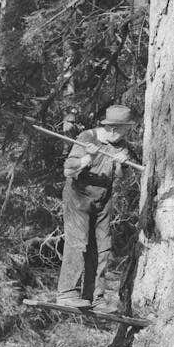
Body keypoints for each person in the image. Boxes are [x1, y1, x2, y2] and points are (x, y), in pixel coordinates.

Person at [56, 104, 137, 311]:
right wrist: (89, 157)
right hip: (78, 197)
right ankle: (66, 294)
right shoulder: (87, 137)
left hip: (103, 200)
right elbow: (68, 169)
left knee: (102, 247)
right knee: (78, 243)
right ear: (112, 128)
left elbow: (121, 177)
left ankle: (95, 298)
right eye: (125, 129)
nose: (126, 133)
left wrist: (121, 164)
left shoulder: (122, 145)